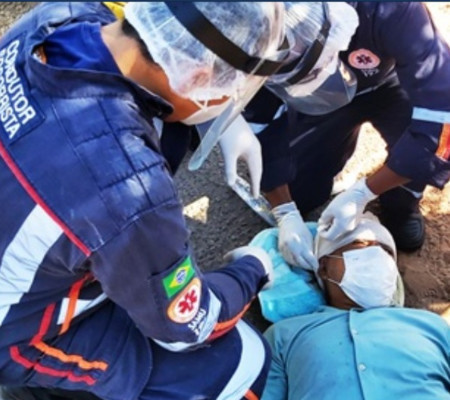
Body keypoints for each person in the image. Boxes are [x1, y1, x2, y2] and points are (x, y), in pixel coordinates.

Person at [0, 2, 289, 399]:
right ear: (198, 75)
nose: (226, 99)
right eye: (227, 88)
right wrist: (252, 269)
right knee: (242, 361)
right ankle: (39, 388)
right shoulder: (128, 188)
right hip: (15, 333)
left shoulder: (59, 16)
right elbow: (187, 326)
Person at [241, 2, 450, 271]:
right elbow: (259, 115)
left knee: (417, 152)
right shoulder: (257, 18)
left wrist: (364, 192)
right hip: (317, 92)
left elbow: (443, 115)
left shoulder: (393, 10)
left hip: (390, 81)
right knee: (299, 193)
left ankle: (402, 204)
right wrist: (284, 211)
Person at [261, 213, 450, 400]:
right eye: (360, 246)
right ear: (324, 267)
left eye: (385, 251)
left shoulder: (432, 325)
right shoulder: (284, 335)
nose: (376, 256)